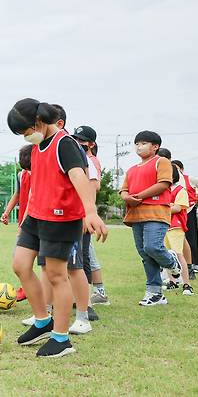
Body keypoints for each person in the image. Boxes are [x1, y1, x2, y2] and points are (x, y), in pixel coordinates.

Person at [7, 99, 108, 357]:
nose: (25, 137)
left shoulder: (65, 143)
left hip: (61, 220)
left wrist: (91, 211)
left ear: (39, 122)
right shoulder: (38, 145)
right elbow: (39, 184)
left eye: (26, 131)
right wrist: (26, 218)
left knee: (56, 275)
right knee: (20, 265)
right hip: (37, 216)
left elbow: (79, 177)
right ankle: (42, 321)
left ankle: (61, 339)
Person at [120, 131, 182, 306]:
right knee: (145, 254)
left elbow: (163, 184)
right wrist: (126, 197)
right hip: (136, 216)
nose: (139, 146)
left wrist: (138, 196)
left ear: (155, 147)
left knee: (152, 247)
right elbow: (124, 190)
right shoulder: (132, 169)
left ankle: (171, 262)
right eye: (137, 143)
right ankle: (155, 293)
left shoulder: (161, 162)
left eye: (144, 143)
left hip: (156, 213)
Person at [72, 125, 110, 306]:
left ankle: (90, 298)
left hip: (84, 215)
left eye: (82, 140)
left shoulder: (90, 160)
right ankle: (90, 294)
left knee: (84, 257)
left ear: (91, 143)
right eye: (76, 139)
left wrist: (89, 213)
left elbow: (93, 187)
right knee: (84, 255)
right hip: (76, 214)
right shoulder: (78, 156)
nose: (78, 142)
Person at [0, 144, 33, 302]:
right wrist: (7, 211)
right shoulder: (21, 175)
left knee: (50, 265)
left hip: (38, 222)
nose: (28, 171)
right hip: (25, 223)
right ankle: (26, 288)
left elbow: (33, 200)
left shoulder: (43, 173)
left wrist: (23, 226)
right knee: (18, 259)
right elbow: (18, 194)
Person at [172, 160, 198, 274]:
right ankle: (177, 264)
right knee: (176, 238)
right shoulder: (171, 182)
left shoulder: (189, 179)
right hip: (176, 213)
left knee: (191, 237)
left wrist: (197, 197)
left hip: (189, 210)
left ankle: (194, 264)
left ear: (182, 169)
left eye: (177, 169)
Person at [164, 164, 194, 295]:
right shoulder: (164, 189)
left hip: (176, 226)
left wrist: (162, 208)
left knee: (178, 254)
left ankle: (187, 284)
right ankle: (173, 281)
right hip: (163, 225)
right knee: (167, 254)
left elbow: (177, 208)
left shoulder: (181, 190)